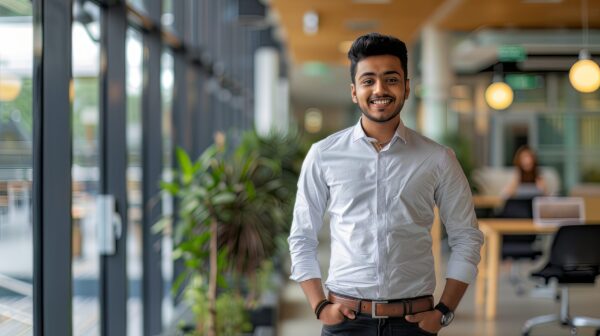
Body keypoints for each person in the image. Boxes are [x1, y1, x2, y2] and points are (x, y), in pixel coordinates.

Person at [288, 32, 484, 336]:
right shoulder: (323, 155)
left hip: (414, 324)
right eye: (368, 81)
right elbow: (302, 236)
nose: (380, 89)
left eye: (391, 79)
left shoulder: (438, 158)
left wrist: (444, 312)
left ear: (406, 88)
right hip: (346, 323)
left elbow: (467, 238)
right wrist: (319, 306)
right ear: (354, 92)